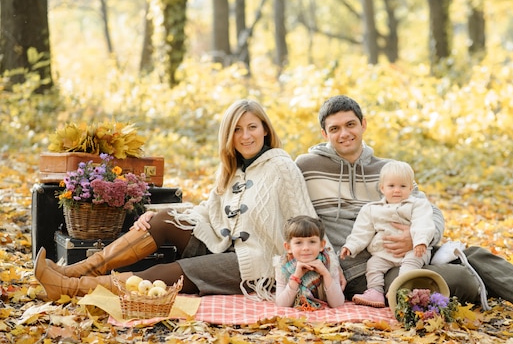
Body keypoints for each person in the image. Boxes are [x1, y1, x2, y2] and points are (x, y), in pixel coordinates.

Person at [295, 95, 513, 329]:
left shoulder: (389, 170)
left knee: (477, 254)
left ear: (363, 125)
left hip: (412, 252)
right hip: (363, 270)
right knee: (460, 276)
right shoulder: (306, 168)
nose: (344, 133)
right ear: (324, 134)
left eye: (350, 124)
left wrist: (415, 235)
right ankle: (492, 289)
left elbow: (431, 212)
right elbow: (290, 212)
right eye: (334, 128)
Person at [35, 99, 321, 302]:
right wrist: (158, 212)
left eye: (252, 127)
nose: (245, 136)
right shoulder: (232, 168)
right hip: (223, 245)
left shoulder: (281, 166)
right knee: (163, 221)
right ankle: (73, 271)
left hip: (256, 264)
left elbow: (307, 220)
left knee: (164, 273)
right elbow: (208, 211)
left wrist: (327, 271)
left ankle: (70, 288)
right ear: (228, 135)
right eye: (236, 129)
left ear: (266, 130)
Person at [340, 160, 436, 307]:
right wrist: (351, 246)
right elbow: (362, 231)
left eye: (402, 186)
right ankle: (375, 291)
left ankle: (401, 291)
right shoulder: (372, 209)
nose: (397, 190)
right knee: (373, 266)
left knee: (410, 266)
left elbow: (423, 223)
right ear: (382, 188)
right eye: (391, 186)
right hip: (384, 252)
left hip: (413, 250)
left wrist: (421, 241)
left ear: (411, 188)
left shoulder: (418, 205)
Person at [275, 215, 344, 310]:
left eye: (312, 242)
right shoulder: (283, 265)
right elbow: (281, 304)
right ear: (288, 247)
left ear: (321, 245)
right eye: (299, 243)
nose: (306, 248)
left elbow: (337, 304)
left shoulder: (330, 263)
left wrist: (325, 274)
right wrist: (296, 276)